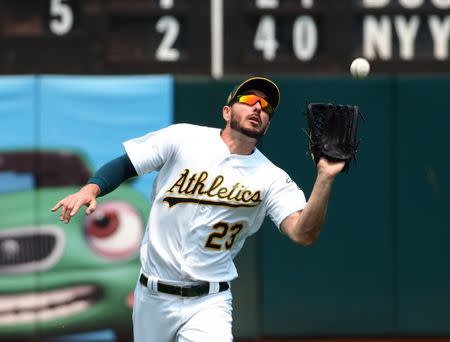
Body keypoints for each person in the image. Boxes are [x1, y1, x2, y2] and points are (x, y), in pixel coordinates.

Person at [51, 76, 345, 342]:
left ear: (268, 123)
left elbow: (302, 233)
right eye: (248, 100)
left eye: (266, 106)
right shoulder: (184, 138)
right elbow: (127, 164)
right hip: (152, 297)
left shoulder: (271, 177)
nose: (258, 108)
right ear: (226, 112)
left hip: (208, 302)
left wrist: (324, 178)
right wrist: (91, 189)